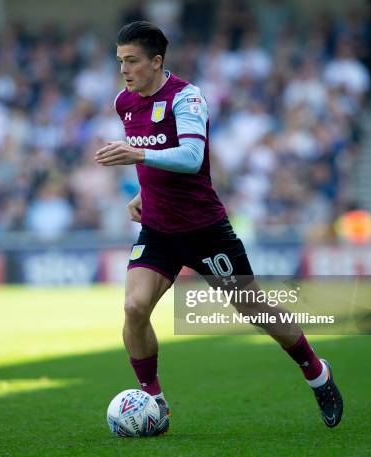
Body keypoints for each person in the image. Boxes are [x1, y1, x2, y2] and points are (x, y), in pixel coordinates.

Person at [95, 21, 343, 435]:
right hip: (158, 229)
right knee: (134, 308)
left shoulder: (187, 98)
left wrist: (137, 154)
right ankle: (154, 402)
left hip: (204, 229)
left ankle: (317, 373)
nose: (124, 70)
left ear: (157, 61)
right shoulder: (125, 102)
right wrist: (143, 192)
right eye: (120, 61)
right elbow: (156, 159)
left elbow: (191, 157)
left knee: (255, 309)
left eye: (132, 61)